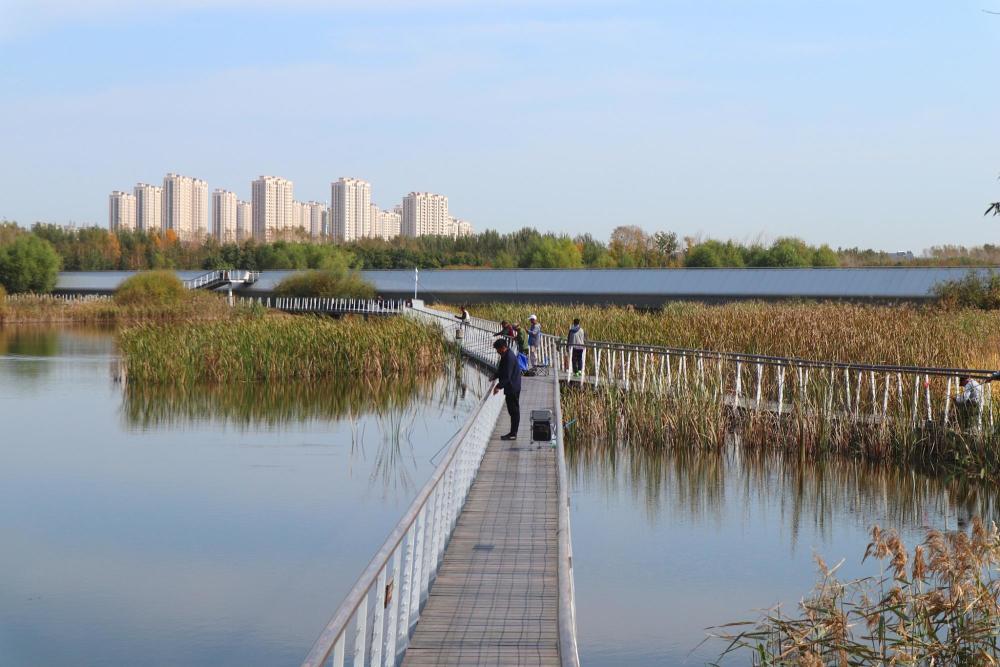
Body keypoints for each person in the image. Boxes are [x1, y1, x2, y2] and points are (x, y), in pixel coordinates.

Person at [492, 338, 522, 440]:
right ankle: (513, 433)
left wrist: (498, 387)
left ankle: (513, 434)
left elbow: (507, 376)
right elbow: (502, 370)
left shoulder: (508, 357)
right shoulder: (506, 355)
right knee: (512, 411)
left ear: (503, 348)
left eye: (497, 349)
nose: (497, 351)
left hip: (513, 387)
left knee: (514, 411)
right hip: (512, 386)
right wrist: (495, 376)